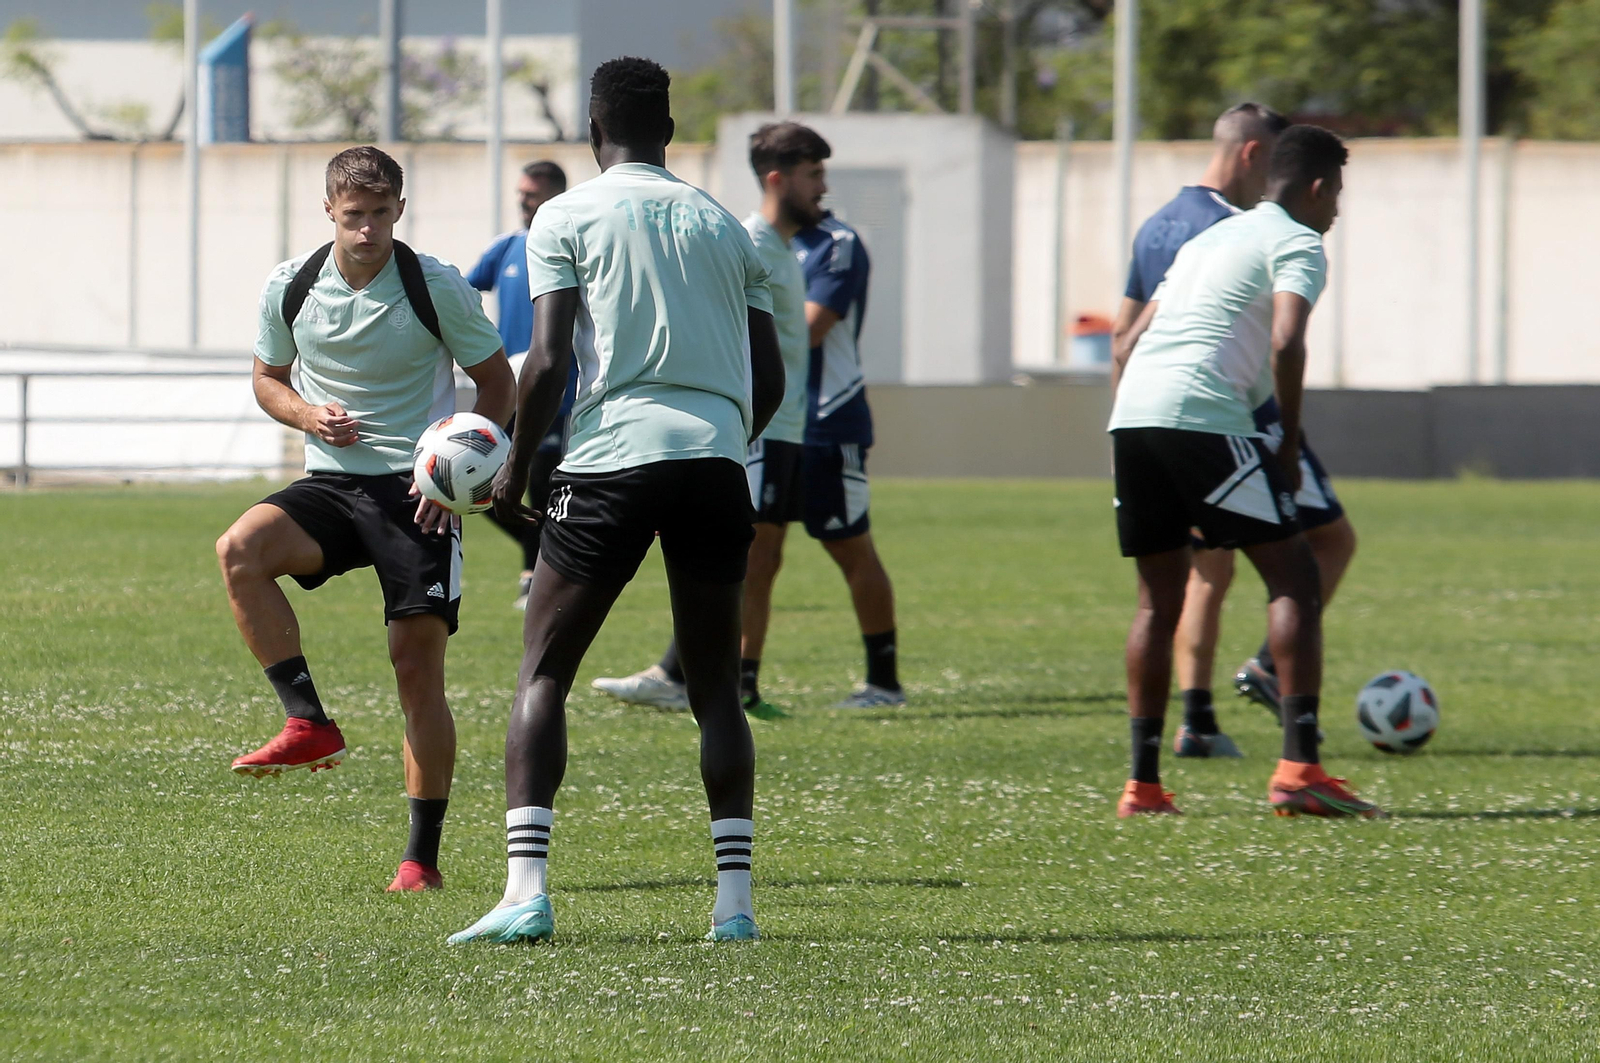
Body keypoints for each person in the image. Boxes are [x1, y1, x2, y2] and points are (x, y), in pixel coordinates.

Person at [448, 56, 784, 945]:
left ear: (595, 133)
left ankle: (526, 890)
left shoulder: (564, 214)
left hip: (611, 459)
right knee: (715, 689)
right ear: (669, 132)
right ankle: (736, 906)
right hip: (716, 460)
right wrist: (725, 439)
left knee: (544, 670)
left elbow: (549, 359)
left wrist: (518, 464)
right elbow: (774, 372)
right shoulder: (724, 225)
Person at [216, 146, 516, 890]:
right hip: (332, 485)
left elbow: (496, 382)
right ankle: (307, 721)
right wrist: (307, 414)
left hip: (417, 497)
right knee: (240, 549)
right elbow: (266, 378)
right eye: (354, 216)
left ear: (399, 211)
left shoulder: (433, 284)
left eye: (381, 214)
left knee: (416, 671)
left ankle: (421, 858)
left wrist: (464, 469)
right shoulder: (291, 285)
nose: (368, 230)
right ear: (329, 211)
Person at [1106, 124, 1381, 819]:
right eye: (1338, 195)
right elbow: (1288, 342)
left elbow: (1131, 338)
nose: (1338, 212)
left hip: (1134, 414)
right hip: (1203, 415)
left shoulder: (1208, 240)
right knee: (1294, 575)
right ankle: (1299, 769)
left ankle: (1142, 786)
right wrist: (1286, 444)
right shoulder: (1296, 240)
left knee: (1154, 602)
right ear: (1318, 188)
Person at [590, 123, 905, 713]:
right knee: (755, 555)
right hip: (775, 424)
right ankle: (721, 678)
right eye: (815, 175)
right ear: (778, 178)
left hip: (802, 423)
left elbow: (795, 332)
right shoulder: (753, 240)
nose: (824, 188)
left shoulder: (805, 244)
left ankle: (878, 682)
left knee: (823, 549)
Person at [467, 160, 574, 609]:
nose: (522, 201)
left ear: (553, 195)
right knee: (476, 477)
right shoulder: (507, 247)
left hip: (557, 388)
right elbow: (462, 289)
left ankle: (541, 575)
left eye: (531, 193)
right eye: (521, 192)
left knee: (545, 483)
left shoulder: (573, 246)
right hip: (507, 387)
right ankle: (536, 560)